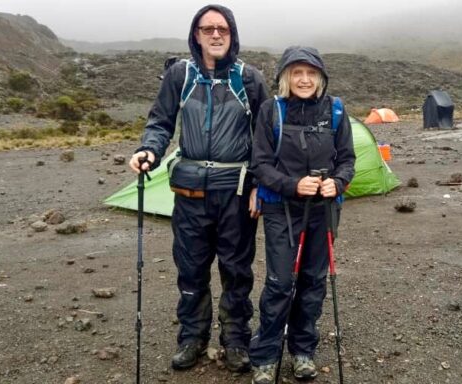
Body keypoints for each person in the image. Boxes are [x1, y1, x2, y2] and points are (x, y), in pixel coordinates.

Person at [128, 4, 268, 373]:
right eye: (208, 29)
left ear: (232, 34)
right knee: (190, 269)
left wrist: (261, 186)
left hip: (236, 194)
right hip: (189, 193)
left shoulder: (249, 79)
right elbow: (160, 122)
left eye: (222, 28)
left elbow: (265, 138)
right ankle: (192, 337)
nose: (216, 35)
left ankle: (236, 339)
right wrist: (149, 150)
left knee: (236, 270)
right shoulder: (180, 75)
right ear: (196, 35)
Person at [248, 46, 355, 384]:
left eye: (311, 73)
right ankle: (265, 356)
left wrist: (337, 183)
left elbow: (348, 160)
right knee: (280, 282)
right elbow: (260, 164)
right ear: (285, 78)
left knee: (312, 282)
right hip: (282, 208)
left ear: (320, 78)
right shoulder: (271, 111)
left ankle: (302, 351)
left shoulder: (336, 111)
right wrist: (294, 185)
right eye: (297, 73)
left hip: (323, 211)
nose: (305, 79)